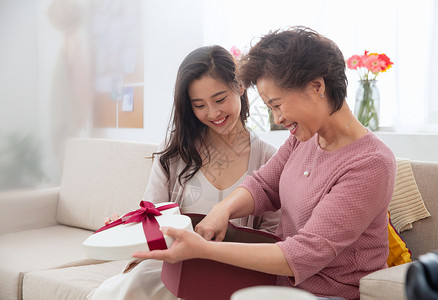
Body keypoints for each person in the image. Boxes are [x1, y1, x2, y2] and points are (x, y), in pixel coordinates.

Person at [133, 26, 397, 300]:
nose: (277, 119)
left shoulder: (371, 163)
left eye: (277, 104)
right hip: (273, 286)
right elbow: (263, 185)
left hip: (324, 294)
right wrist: (222, 210)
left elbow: (304, 253)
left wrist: (203, 250)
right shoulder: (304, 137)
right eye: (270, 108)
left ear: (316, 86)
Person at [88, 45, 279, 300]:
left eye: (220, 99)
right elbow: (153, 219)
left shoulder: (270, 158)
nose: (213, 113)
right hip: (172, 269)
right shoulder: (174, 152)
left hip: (235, 273)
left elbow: (272, 239)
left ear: (240, 86)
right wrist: (126, 228)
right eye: (199, 105)